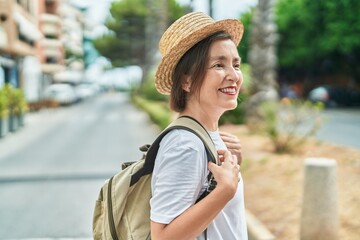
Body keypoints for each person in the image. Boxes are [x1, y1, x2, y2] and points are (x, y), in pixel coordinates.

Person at [150, 12, 248, 240]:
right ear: (187, 80)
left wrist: (232, 171)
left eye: (236, 64)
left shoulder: (205, 138)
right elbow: (162, 237)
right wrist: (225, 190)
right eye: (218, 65)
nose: (233, 75)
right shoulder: (186, 145)